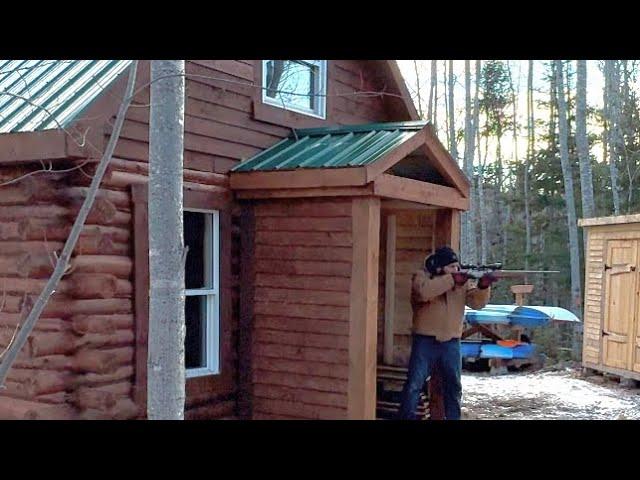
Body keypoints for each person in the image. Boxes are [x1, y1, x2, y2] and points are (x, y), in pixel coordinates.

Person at [397, 246, 498, 420]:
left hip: (451, 342)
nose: (456, 270)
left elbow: (476, 304)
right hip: (425, 340)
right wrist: (452, 280)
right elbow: (423, 293)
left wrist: (483, 287)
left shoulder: (461, 283)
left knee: (454, 387)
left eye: (457, 267)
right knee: (414, 385)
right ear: (441, 267)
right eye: (452, 267)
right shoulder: (422, 277)